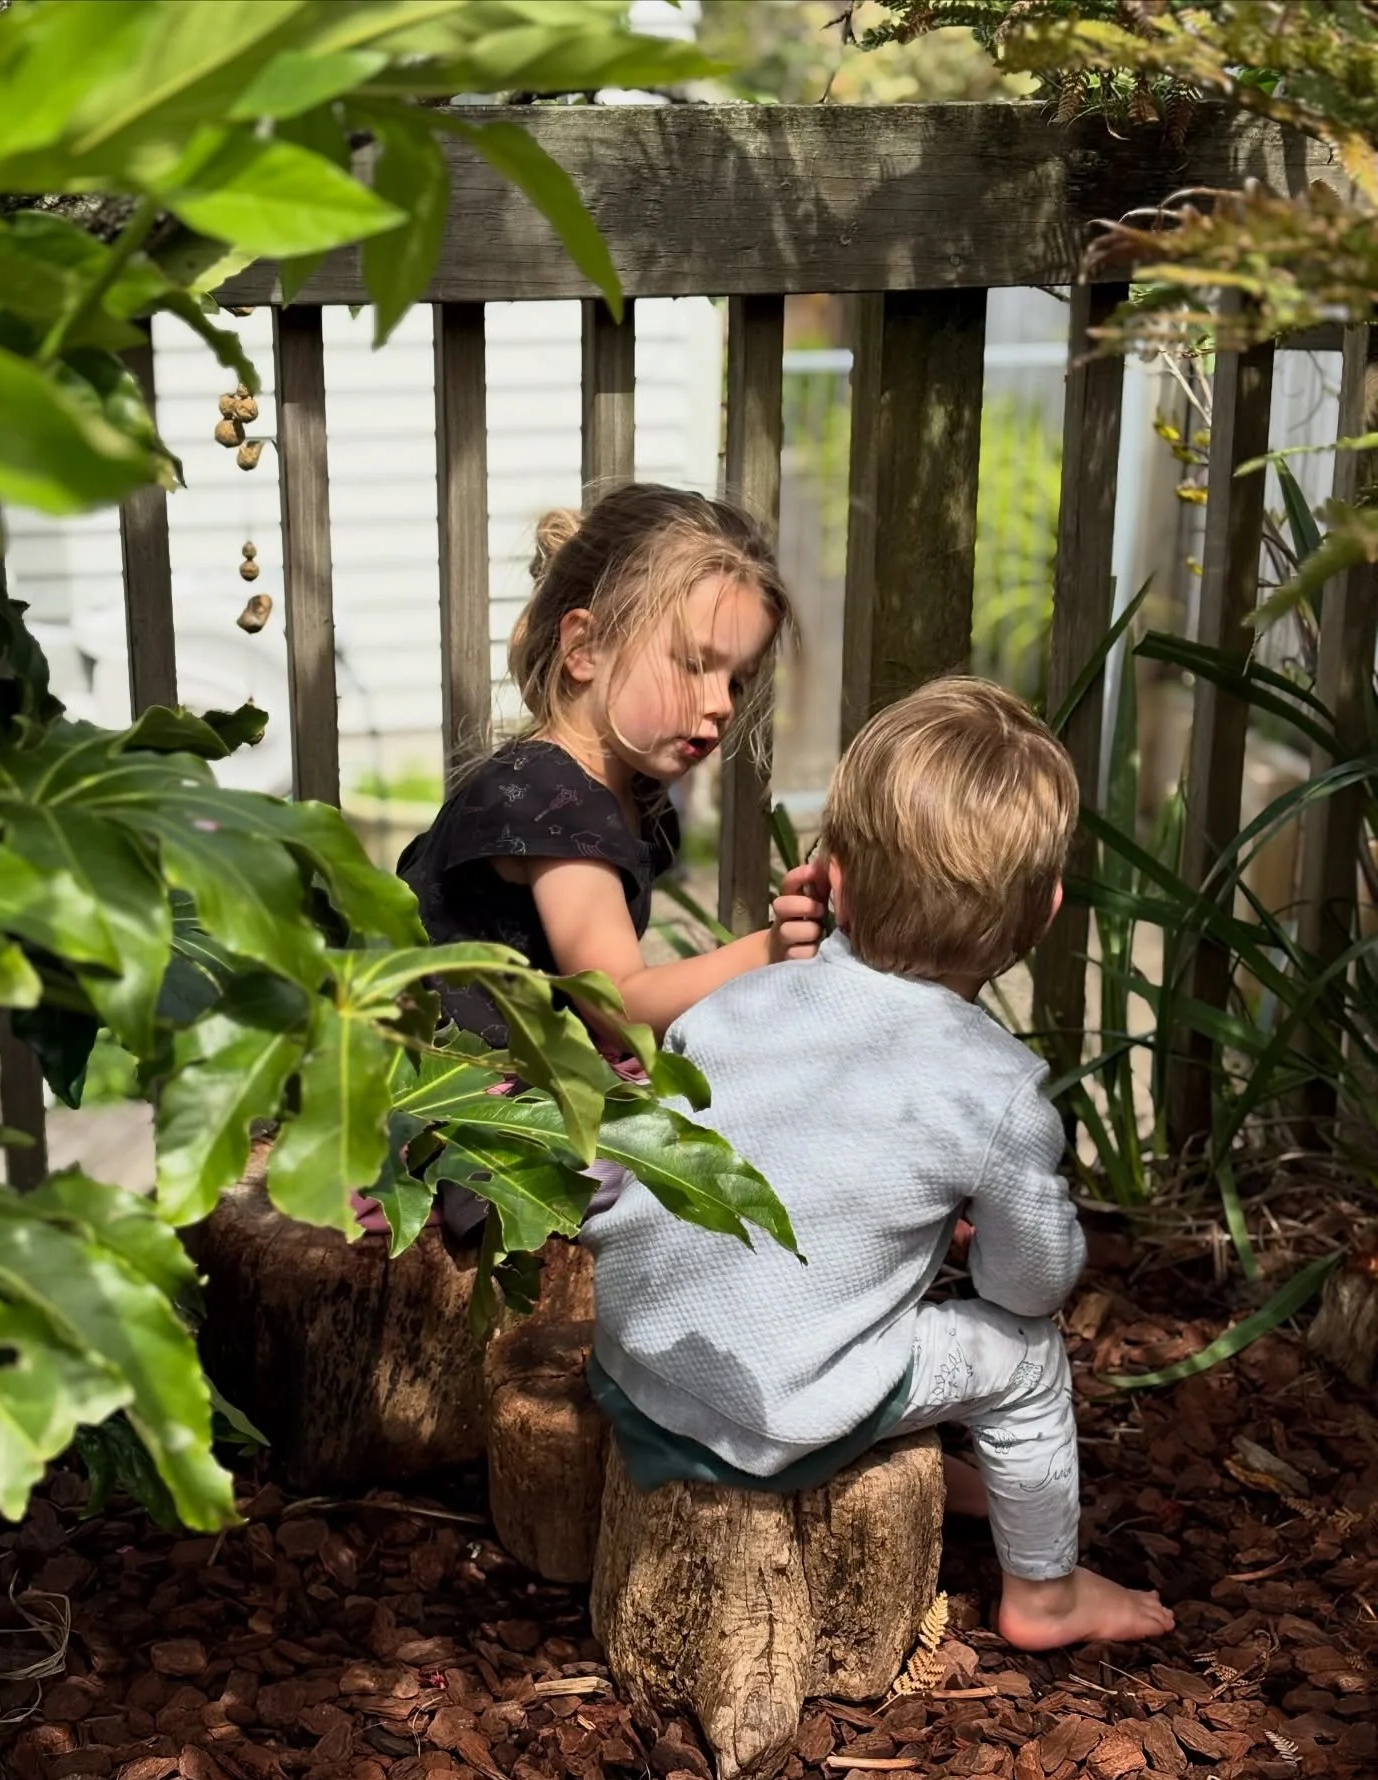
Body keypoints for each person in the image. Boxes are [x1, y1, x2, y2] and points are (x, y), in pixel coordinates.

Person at [584, 678, 1175, 1649]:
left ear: (835, 879)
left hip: (635, 1366)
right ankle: (1047, 1595)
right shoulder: (996, 1088)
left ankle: (931, 1459)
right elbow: (1028, 1287)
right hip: (773, 1419)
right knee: (1024, 1356)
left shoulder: (734, 1000)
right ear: (1043, 914)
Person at [397, 482, 826, 1049]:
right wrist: (766, 950)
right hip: (453, 1086)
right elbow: (620, 1006)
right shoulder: (549, 800)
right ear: (585, 648)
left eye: (737, 681)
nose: (721, 703)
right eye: (693, 663)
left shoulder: (630, 793)